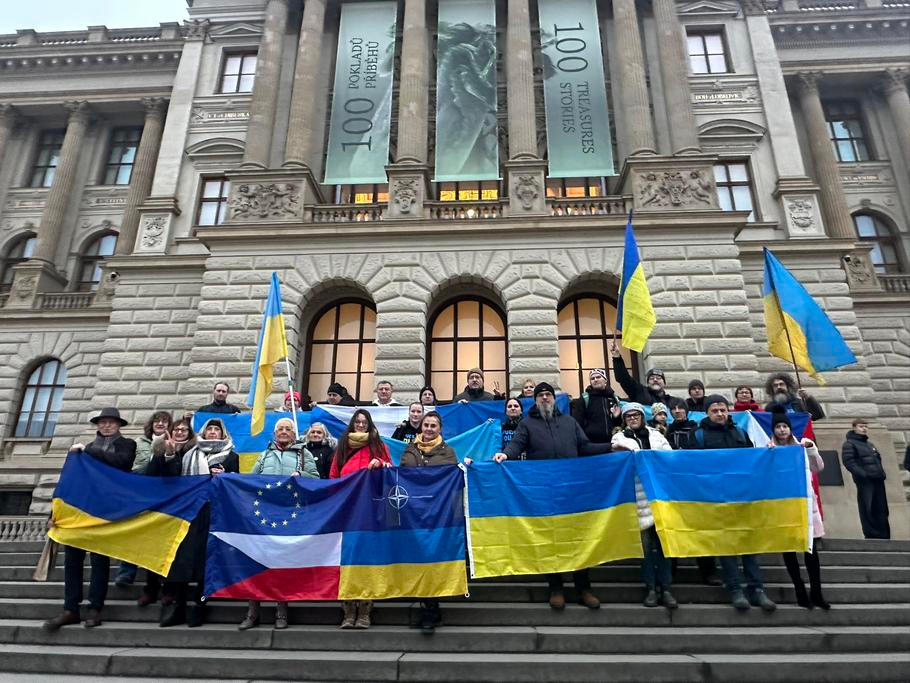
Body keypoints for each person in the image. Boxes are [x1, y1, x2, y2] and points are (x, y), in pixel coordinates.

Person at [483, 383, 611, 610]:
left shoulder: (569, 422)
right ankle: (556, 588)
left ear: (553, 399)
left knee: (578, 539)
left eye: (548, 395)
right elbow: (516, 445)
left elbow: (585, 447)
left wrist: (611, 447)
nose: (544, 398)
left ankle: (584, 588)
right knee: (550, 540)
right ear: (535, 400)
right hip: (545, 492)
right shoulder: (527, 424)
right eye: (540, 395)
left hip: (572, 490)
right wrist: (505, 454)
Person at [43, 408, 137, 631]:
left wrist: (85, 451)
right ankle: (70, 609)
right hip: (79, 512)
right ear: (97, 425)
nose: (106, 426)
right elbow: (68, 482)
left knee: (99, 562)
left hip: (104, 512)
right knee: (72, 562)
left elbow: (121, 463)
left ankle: (95, 608)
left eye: (111, 423)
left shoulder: (125, 445)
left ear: (118, 426)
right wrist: (54, 513)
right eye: (103, 422)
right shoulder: (83, 451)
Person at [149, 417, 239, 627]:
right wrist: (170, 454)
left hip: (214, 513)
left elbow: (236, 484)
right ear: (204, 432)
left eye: (217, 429)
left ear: (223, 433)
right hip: (190, 512)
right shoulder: (189, 454)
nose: (213, 432)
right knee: (181, 560)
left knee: (204, 563)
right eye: (210, 429)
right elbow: (173, 480)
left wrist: (226, 476)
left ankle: (200, 606)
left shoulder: (231, 456)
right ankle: (178, 607)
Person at [694, 395, 776, 612]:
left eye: (723, 410)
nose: (720, 414)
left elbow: (753, 461)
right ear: (707, 413)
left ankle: (757, 589)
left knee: (749, 545)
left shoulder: (740, 433)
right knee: (727, 547)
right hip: (717, 501)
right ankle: (735, 589)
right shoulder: (699, 437)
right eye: (715, 410)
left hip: (743, 497)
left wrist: (767, 453)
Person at [240, 418, 320, 631]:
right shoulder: (264, 454)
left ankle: (281, 610)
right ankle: (252, 611)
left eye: (288, 429)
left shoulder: (304, 455)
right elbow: (249, 481)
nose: (284, 432)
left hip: (289, 515)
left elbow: (316, 479)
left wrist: (301, 475)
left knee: (282, 562)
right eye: (280, 429)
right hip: (264, 514)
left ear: (294, 434)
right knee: (256, 561)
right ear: (274, 433)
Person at [330, 409, 392, 629]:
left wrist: (380, 466)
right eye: (357, 422)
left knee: (367, 558)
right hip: (347, 510)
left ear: (369, 424)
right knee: (347, 559)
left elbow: (391, 473)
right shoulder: (343, 447)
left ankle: (365, 607)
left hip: (370, 511)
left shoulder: (379, 446)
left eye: (364, 422)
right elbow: (333, 478)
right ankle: (348, 608)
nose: (360, 425)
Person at [611, 403, 677, 609]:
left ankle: (666, 588)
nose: (632, 418)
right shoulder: (619, 438)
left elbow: (670, 457)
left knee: (664, 547)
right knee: (646, 550)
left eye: (635, 415)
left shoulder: (657, 436)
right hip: (637, 499)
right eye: (628, 416)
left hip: (659, 497)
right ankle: (650, 588)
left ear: (642, 416)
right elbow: (615, 462)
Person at [400, 411, 458, 634]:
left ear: (440, 429)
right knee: (419, 558)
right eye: (426, 425)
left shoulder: (449, 452)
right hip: (414, 514)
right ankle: (428, 605)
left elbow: (452, 479)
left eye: (433, 425)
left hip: (439, 515)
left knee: (433, 558)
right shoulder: (409, 450)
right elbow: (404, 475)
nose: (429, 429)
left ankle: (431, 609)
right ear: (420, 427)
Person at [769, 411, 829, 609]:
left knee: (811, 552)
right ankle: (800, 590)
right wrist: (768, 454)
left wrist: (812, 450)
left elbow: (818, 467)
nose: (782, 429)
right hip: (784, 505)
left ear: (789, 428)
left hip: (805, 505)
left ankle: (817, 593)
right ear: (774, 430)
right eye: (778, 427)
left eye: (784, 426)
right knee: (789, 552)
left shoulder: (802, 445)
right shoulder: (770, 448)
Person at [115, 411, 173, 591]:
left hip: (161, 493)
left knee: (156, 535)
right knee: (133, 531)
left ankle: (156, 578)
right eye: (157, 420)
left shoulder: (172, 444)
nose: (160, 423)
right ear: (151, 424)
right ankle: (126, 571)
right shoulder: (138, 443)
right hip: (138, 491)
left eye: (165, 421)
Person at [841, 419, 890, 539]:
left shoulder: (869, 444)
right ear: (854, 428)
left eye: (866, 426)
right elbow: (849, 462)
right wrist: (864, 475)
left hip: (877, 479)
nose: (864, 428)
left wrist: (881, 473)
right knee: (868, 507)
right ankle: (872, 534)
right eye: (861, 426)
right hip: (865, 481)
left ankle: (884, 534)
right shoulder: (849, 444)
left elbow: (877, 460)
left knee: (882, 508)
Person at [610, 341, 682, 406]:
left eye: (659, 378)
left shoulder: (673, 402)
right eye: (651, 378)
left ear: (665, 383)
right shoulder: (639, 392)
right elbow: (623, 378)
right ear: (647, 383)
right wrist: (617, 357)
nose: (655, 380)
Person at [570, 368, 621, 444]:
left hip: (613, 442)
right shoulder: (585, 398)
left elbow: (619, 424)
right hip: (592, 443)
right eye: (592, 378)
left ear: (605, 380)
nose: (595, 380)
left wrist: (617, 417)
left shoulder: (613, 398)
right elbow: (577, 422)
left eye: (598, 377)